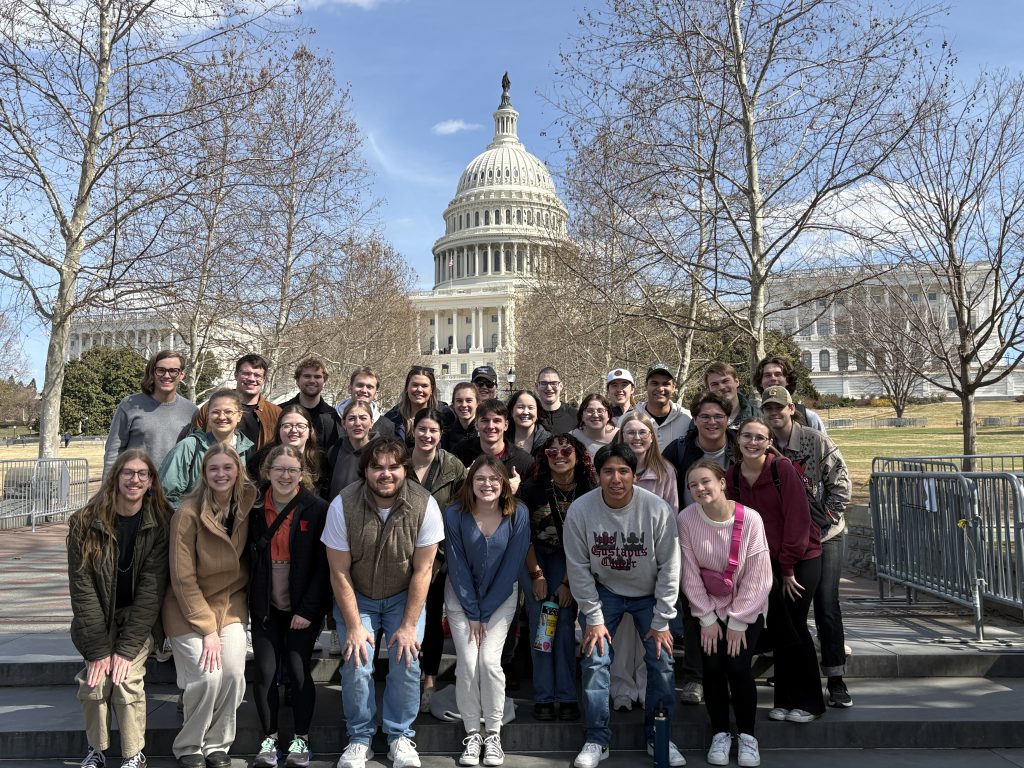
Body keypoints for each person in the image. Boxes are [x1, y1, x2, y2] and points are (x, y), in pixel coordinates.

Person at [321, 436, 443, 768]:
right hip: (357, 594)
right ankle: (359, 738)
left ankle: (400, 735)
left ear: (405, 469)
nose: (385, 474)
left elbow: (424, 569)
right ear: (365, 471)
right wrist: (355, 626)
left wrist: (406, 626)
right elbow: (339, 571)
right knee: (357, 661)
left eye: (393, 467)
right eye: (376, 467)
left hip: (404, 594)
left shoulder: (424, 504)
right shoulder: (341, 505)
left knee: (407, 659)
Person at [563, 443, 685, 768]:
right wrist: (593, 616)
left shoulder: (657, 509)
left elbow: (671, 568)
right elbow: (578, 567)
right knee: (595, 658)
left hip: (649, 593)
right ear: (597, 475)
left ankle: (657, 737)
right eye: (608, 471)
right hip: (606, 591)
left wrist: (662, 620)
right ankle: (596, 739)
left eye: (623, 471)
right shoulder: (581, 510)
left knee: (662, 660)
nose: (615, 478)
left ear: (635, 475)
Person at [68, 449, 171, 768]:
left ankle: (133, 754)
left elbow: (150, 594)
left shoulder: (161, 524)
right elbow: (81, 589)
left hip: (139, 623)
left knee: (126, 679)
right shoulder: (83, 523)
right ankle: (96, 750)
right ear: (115, 477)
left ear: (151, 481)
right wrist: (98, 650)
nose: (135, 479)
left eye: (143, 474)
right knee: (95, 681)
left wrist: (124, 651)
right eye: (128, 472)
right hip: (97, 618)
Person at [162, 444, 257, 768]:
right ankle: (190, 744)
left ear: (237, 471)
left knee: (232, 673)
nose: (221, 474)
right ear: (204, 473)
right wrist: (206, 629)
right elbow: (182, 578)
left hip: (230, 603)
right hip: (187, 607)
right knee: (207, 676)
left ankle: (218, 744)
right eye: (214, 468)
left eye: (227, 468)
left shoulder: (246, 505)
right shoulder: (187, 514)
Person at [760, 385, 853, 709]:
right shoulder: (763, 446)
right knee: (790, 613)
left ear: (791, 410)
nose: (774, 413)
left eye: (779, 408)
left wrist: (821, 523)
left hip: (824, 537)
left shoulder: (814, 440)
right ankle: (790, 687)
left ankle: (836, 677)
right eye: (768, 408)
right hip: (788, 541)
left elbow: (841, 483)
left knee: (826, 605)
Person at [728, 417, 825, 724]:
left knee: (795, 626)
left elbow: (797, 521)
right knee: (782, 630)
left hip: (800, 560)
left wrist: (786, 568)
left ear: (769, 442)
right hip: (766, 563)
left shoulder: (781, 470)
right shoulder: (732, 475)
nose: (753, 442)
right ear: (738, 440)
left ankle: (810, 701)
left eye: (760, 437)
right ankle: (784, 699)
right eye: (747, 436)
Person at [678, 461, 772, 768]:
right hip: (707, 606)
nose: (700, 489)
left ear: (722, 482)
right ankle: (720, 732)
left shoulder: (751, 520)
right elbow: (689, 572)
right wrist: (705, 618)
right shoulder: (687, 519)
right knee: (712, 667)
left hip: (746, 606)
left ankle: (747, 735)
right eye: (693, 485)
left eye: (706, 482)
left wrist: (739, 620)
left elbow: (759, 576)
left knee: (738, 666)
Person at [443, 456, 531, 767]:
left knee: (490, 662)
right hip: (461, 599)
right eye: (480, 478)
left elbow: (512, 568)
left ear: (505, 483)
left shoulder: (518, 513)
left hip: (501, 597)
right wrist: (473, 611)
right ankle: (472, 733)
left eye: (494, 479)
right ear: (470, 482)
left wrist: (486, 610)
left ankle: (492, 732)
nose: (487, 484)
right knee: (467, 662)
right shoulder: (454, 514)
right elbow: (456, 565)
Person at [249, 445, 330, 768]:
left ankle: (301, 737)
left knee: (297, 670)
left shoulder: (316, 508)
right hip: (265, 601)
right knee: (266, 672)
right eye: (279, 469)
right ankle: (268, 738)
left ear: (302, 474)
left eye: (292, 470)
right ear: (268, 472)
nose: (285, 476)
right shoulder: (254, 508)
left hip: (302, 603)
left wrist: (308, 610)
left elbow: (324, 566)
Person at [662, 391, 738, 704]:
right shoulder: (680, 449)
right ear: (695, 420)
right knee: (696, 607)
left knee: (732, 606)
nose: (711, 422)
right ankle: (696, 677)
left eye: (718, 416)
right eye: (704, 416)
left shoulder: (738, 448)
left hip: (734, 533)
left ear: (728, 419)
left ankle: (731, 673)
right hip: (691, 534)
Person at [519, 433, 596, 723]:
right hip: (536, 557)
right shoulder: (531, 489)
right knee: (542, 622)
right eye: (552, 452)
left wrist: (567, 582)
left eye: (566, 450)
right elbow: (522, 535)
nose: (560, 456)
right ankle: (543, 696)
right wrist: (536, 574)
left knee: (563, 622)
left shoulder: (590, 489)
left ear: (577, 454)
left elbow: (588, 541)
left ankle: (566, 695)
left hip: (574, 560)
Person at [608, 412, 679, 711]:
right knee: (623, 637)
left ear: (652, 437)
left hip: (652, 564)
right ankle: (622, 688)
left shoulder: (665, 472)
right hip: (618, 562)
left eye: (642, 433)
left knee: (650, 635)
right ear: (621, 437)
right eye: (630, 433)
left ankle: (646, 688)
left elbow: (672, 515)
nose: (636, 438)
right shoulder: (611, 469)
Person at [408, 407, 468, 711]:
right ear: (413, 429)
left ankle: (429, 678)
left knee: (431, 618)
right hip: (401, 556)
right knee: (403, 618)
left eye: (433, 431)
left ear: (440, 434)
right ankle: (404, 677)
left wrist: (440, 558)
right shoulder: (400, 463)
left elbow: (461, 511)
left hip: (437, 557)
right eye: (422, 429)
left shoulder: (452, 466)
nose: (427, 435)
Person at [103, 350, 197, 476]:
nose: (167, 376)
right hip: (136, 486)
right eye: (161, 370)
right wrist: (108, 489)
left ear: (181, 375)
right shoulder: (130, 405)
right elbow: (113, 451)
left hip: (173, 491)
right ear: (153, 372)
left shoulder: (191, 411)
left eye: (173, 371)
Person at [159, 389, 255, 508]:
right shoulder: (189, 447)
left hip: (234, 523)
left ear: (239, 415)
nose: (221, 417)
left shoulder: (247, 450)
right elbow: (165, 494)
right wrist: (193, 517)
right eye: (215, 412)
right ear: (208, 415)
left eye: (228, 412)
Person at [193, 354, 281, 452]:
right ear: (236, 375)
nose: (251, 379)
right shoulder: (211, 408)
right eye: (246, 373)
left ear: (263, 380)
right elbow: (195, 443)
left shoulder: (275, 413)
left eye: (257, 375)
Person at [452, 399, 533, 494]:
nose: (491, 426)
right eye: (485, 420)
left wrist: (518, 491)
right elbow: (450, 495)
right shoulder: (460, 453)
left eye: (497, 421)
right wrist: (464, 481)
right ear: (476, 425)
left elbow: (532, 501)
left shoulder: (524, 461)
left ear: (506, 425)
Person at [248, 406, 330, 499]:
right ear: (279, 430)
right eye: (287, 425)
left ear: (309, 431)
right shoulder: (261, 459)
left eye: (300, 426)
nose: (294, 430)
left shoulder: (320, 460)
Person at [281, 357, 344, 453]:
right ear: (297, 381)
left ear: (324, 382)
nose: (312, 380)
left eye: (317, 377)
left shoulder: (333, 416)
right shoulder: (280, 411)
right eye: (307, 376)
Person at [624, 363, 691, 447]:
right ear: (646, 386)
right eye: (654, 383)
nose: (660, 389)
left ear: (673, 387)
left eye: (666, 384)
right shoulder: (628, 418)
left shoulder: (687, 418)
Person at [754, 356, 827, 433]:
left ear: (788, 380)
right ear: (760, 382)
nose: (773, 378)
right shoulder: (754, 419)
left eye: (778, 374)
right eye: (767, 375)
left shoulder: (809, 417)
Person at [328, 400, 377, 498]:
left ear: (372, 422)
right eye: (351, 418)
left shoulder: (380, 452)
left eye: (363, 418)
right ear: (343, 423)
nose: (357, 423)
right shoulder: (334, 451)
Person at [383, 366, 442, 447]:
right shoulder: (391, 419)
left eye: (424, 386)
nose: (419, 390)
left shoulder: (444, 415)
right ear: (407, 387)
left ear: (431, 390)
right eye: (415, 385)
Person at [335, 367, 393, 434]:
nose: (364, 390)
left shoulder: (387, 427)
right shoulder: (329, 421)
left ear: (376, 394)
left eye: (369, 387)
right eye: (359, 385)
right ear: (350, 389)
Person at [704, 362, 761, 428]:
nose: (721, 387)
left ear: (737, 382)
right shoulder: (702, 419)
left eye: (725, 381)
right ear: (709, 389)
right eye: (714, 384)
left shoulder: (756, 415)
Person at [570, 393, 619, 460]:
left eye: (600, 410)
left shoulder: (621, 435)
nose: (595, 415)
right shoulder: (571, 438)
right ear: (582, 415)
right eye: (590, 411)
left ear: (609, 415)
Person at [533, 367, 578, 435]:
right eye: (544, 383)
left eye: (554, 383)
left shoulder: (576, 416)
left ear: (561, 386)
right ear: (537, 386)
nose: (549, 388)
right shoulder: (530, 416)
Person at [505, 390, 550, 454]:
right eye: (520, 407)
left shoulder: (549, 441)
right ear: (512, 411)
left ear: (537, 412)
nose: (525, 412)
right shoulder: (501, 439)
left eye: (531, 408)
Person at [443, 382, 479, 451]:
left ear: (477, 403)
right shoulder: (447, 434)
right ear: (453, 404)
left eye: (469, 400)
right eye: (459, 401)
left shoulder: (484, 431)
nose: (464, 405)